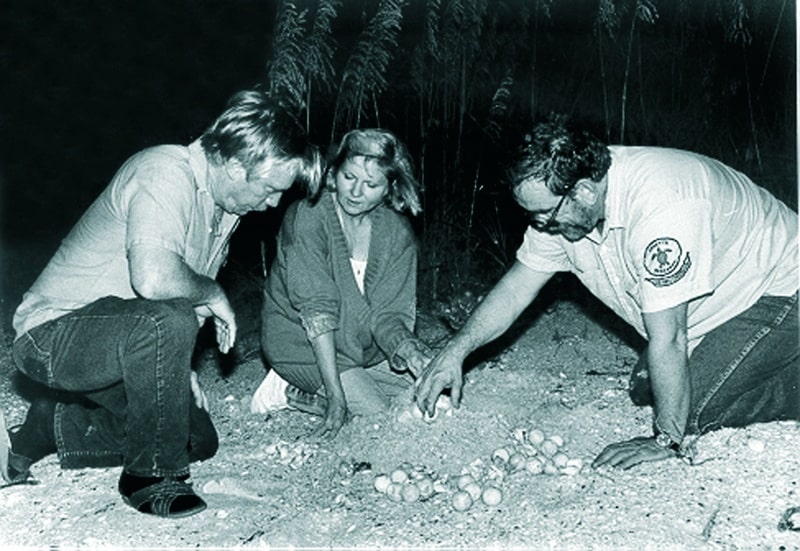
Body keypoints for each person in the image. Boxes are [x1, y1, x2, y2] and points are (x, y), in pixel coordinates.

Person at [2, 88, 323, 518]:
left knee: (195, 437)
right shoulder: (164, 171)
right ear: (234, 166)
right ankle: (150, 477)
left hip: (121, 340)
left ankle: (49, 425)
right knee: (165, 324)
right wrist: (214, 293)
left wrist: (174, 369)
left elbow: (177, 301)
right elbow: (153, 280)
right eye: (269, 189)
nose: (273, 203)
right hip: (50, 337)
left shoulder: (224, 211)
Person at [415, 116, 798, 469]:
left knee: (693, 413)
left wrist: (666, 439)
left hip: (779, 285)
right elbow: (515, 290)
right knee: (649, 386)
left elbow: (670, 337)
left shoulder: (662, 205)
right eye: (531, 216)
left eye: (545, 215)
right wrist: (455, 351)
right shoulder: (564, 209)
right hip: (722, 304)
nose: (540, 226)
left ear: (583, 191)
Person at [251, 128, 433, 439]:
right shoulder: (308, 215)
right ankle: (286, 388)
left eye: (371, 184)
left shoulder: (397, 234)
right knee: (380, 417)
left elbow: (389, 314)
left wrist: (409, 349)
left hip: (360, 349)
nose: (356, 192)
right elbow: (317, 310)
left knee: (424, 396)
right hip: (302, 343)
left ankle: (348, 385)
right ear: (333, 172)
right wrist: (336, 397)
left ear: (389, 189)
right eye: (349, 177)